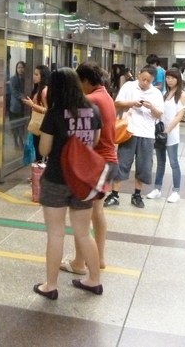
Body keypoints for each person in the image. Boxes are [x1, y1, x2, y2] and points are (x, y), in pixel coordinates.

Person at [33, 67, 103, 300]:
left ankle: (51, 286)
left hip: (57, 178)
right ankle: (94, 280)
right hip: (83, 181)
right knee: (83, 233)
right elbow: (95, 142)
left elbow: (44, 149)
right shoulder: (93, 111)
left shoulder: (54, 114)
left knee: (56, 234)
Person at [61, 61, 118, 275]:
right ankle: (99, 258)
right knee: (97, 212)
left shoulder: (91, 100)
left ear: (85, 80)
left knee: (82, 214)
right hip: (109, 161)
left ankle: (79, 262)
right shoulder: (106, 96)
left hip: (96, 163)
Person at [106, 65, 164, 208]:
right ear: (138, 74)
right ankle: (114, 194)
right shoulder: (129, 86)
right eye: (143, 79)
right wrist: (132, 103)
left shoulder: (156, 93)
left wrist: (151, 107)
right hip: (128, 131)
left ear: (153, 80)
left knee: (144, 166)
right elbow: (118, 102)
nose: (144, 82)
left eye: (148, 81)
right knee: (122, 163)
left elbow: (159, 114)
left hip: (147, 134)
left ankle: (137, 195)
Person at [147, 69, 185, 203]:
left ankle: (176, 191)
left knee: (174, 162)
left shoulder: (182, 95)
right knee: (160, 162)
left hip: (172, 133)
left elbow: (179, 116)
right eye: (168, 78)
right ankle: (157, 189)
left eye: (172, 78)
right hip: (161, 131)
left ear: (178, 79)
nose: (169, 80)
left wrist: (168, 130)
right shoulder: (164, 94)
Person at [21, 65, 50, 162]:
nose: (34, 76)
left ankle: (39, 169)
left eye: (37, 74)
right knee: (36, 150)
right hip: (36, 124)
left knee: (39, 153)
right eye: (34, 74)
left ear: (43, 76)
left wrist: (32, 105)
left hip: (41, 125)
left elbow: (47, 110)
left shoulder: (44, 91)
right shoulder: (38, 89)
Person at [7, 61, 26, 147]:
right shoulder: (13, 79)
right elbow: (14, 92)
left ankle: (21, 140)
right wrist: (24, 97)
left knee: (21, 125)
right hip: (15, 106)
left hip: (24, 107)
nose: (20, 69)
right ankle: (16, 141)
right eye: (18, 67)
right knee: (15, 125)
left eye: (22, 67)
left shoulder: (26, 79)